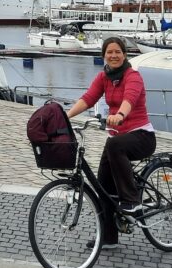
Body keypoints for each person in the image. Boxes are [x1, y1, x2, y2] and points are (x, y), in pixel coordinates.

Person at [65, 37, 155, 248]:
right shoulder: (103, 77)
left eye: (117, 52)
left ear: (124, 55)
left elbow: (130, 99)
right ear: (103, 55)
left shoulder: (133, 76)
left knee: (114, 145)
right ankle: (109, 237)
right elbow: (88, 98)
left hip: (142, 135)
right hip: (118, 139)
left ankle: (132, 201)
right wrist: (66, 117)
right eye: (109, 52)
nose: (113, 56)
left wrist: (121, 115)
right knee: (102, 184)